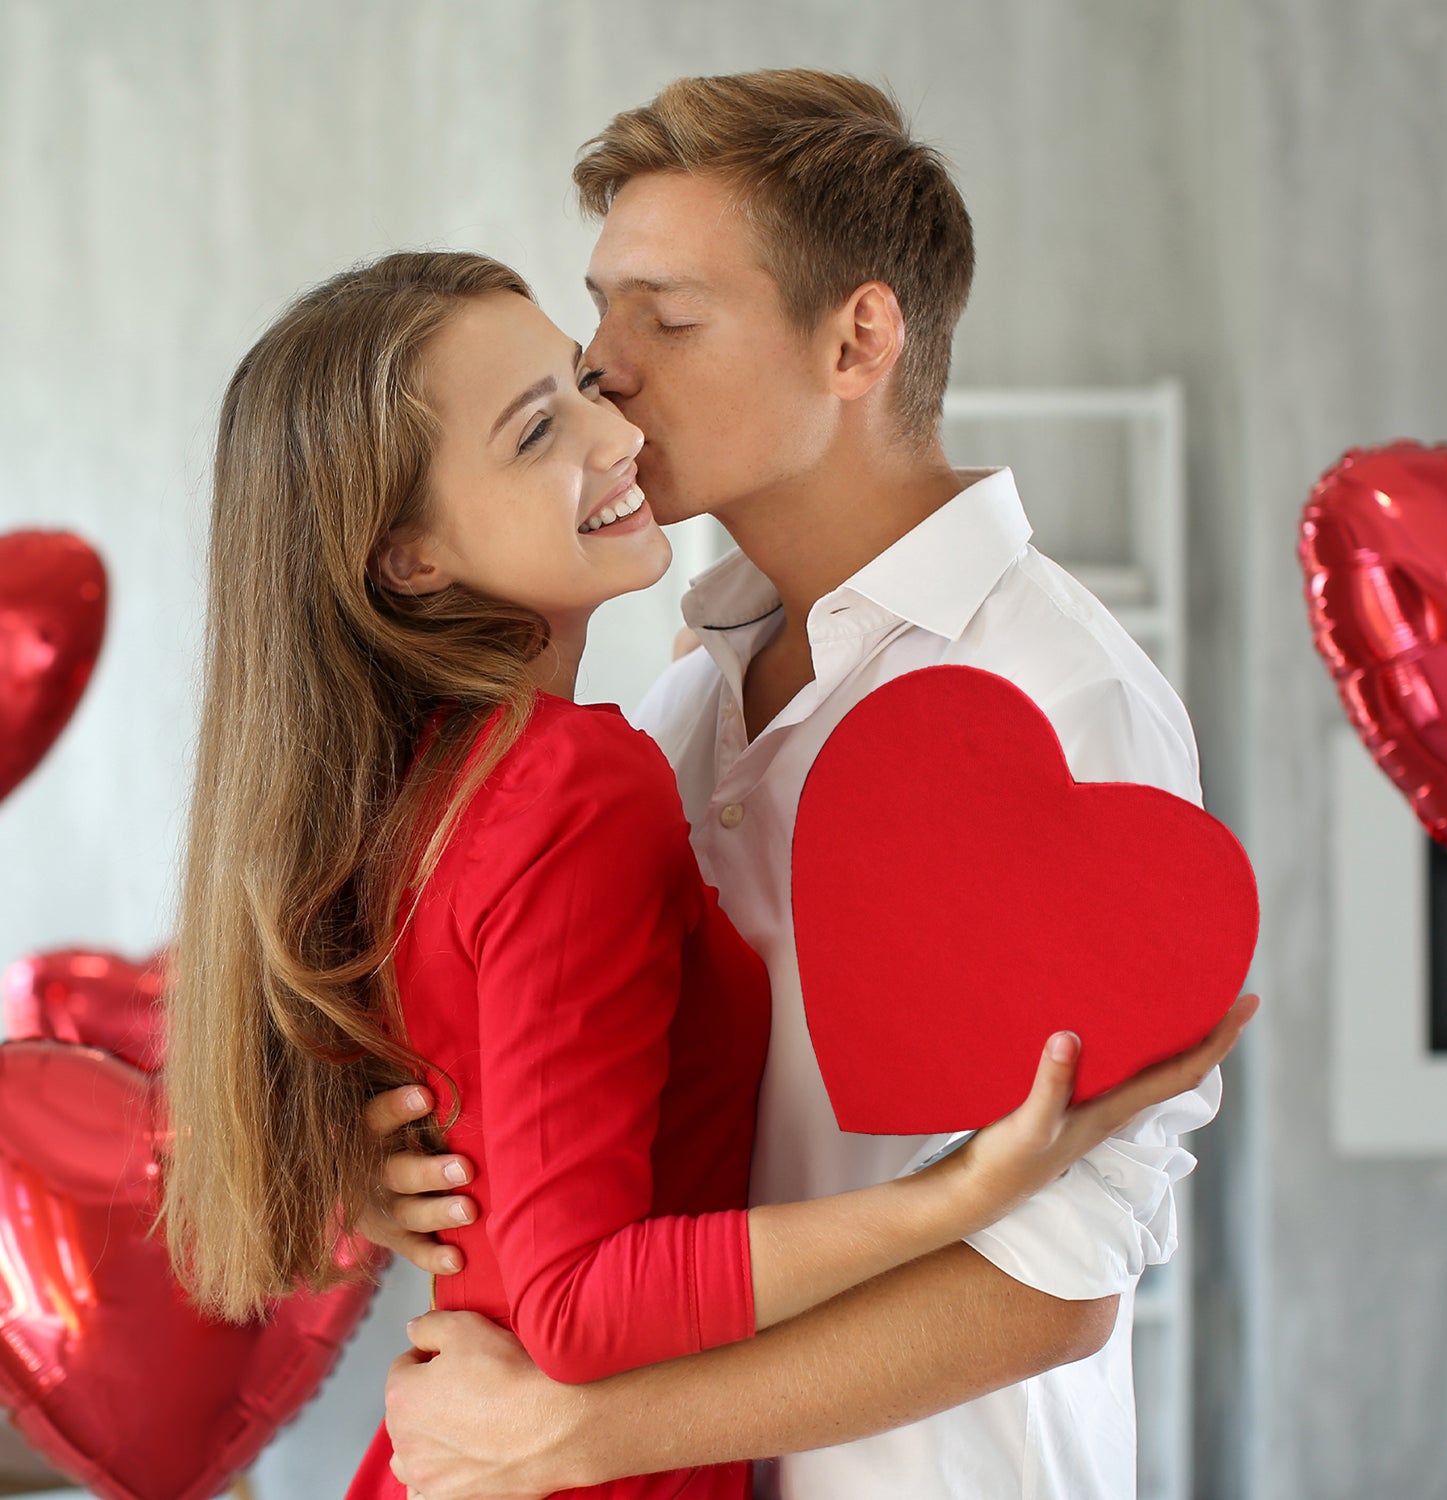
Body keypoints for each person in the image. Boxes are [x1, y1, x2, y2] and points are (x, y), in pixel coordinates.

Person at [157, 251, 1250, 1500]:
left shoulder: (440, 779)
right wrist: (955, 1195)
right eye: (538, 427)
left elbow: (1061, 1287)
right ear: (407, 558)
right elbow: (576, 1298)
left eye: (626, 350)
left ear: (859, 342)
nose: (614, 410)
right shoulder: (597, 765)